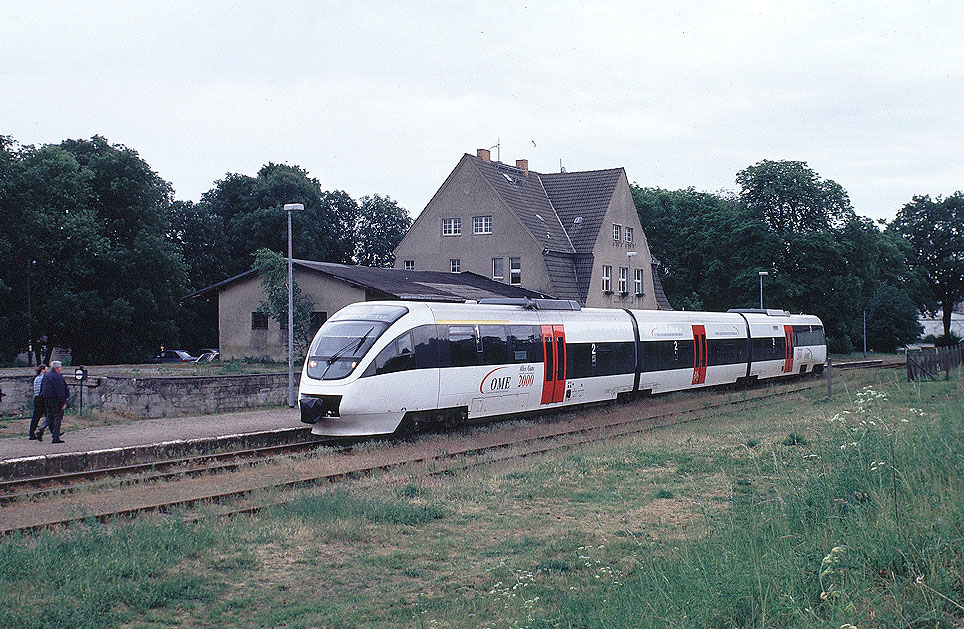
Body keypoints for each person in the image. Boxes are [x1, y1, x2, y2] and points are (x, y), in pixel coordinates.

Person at [39, 360, 68, 444]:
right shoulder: (57, 376)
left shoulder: (46, 375)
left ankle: (42, 428)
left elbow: (42, 387)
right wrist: (63, 402)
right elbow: (60, 390)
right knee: (58, 416)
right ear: (58, 368)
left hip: (47, 398)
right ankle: (55, 436)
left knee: (50, 415)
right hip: (56, 399)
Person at [28, 364, 48, 440]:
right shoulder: (43, 378)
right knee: (49, 415)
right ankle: (54, 432)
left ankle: (31, 433)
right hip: (42, 398)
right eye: (46, 369)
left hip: (36, 398)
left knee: (36, 417)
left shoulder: (37, 378)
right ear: (42, 370)